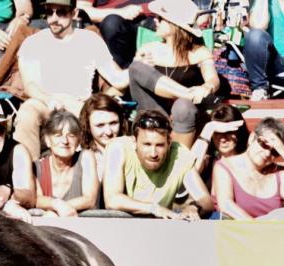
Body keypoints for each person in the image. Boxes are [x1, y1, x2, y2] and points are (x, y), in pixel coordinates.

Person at [16, 0, 127, 160]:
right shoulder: (33, 42)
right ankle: (27, 172)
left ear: (74, 13)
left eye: (61, 12)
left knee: (97, 114)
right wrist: (51, 99)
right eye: (49, 12)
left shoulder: (90, 40)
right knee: (27, 111)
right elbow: (30, 85)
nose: (54, 18)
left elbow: (117, 79)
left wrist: (140, 65)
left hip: (80, 105)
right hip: (46, 103)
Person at [129, 0, 219, 149]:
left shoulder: (199, 52)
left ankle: (179, 164)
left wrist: (207, 87)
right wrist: (145, 68)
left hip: (184, 118)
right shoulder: (149, 49)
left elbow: (213, 78)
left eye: (160, 18)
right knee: (137, 66)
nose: (154, 21)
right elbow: (134, 78)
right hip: (152, 115)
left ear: (175, 24)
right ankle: (187, 94)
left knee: (183, 105)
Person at [102, 109, 205, 218]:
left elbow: (205, 201)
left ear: (169, 143)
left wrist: (192, 207)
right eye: (147, 144)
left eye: (160, 145)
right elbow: (112, 200)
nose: (153, 153)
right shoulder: (119, 148)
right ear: (134, 142)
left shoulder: (179, 153)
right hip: (122, 227)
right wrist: (154, 208)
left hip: (160, 228)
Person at [211, 117, 284, 218]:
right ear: (252, 138)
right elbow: (226, 206)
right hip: (238, 231)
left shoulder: (280, 173)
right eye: (264, 144)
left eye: (275, 152)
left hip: (270, 231)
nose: (267, 153)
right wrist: (256, 229)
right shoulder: (225, 167)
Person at [35, 110, 99, 215]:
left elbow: (90, 200)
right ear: (47, 140)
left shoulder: (85, 157)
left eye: (71, 135)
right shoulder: (37, 167)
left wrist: (56, 211)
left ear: (78, 140)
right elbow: (36, 200)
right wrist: (57, 205)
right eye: (58, 135)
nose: (65, 141)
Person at [79, 0, 153, 68]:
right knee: (111, 23)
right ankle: (129, 73)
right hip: (119, 25)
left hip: (155, 17)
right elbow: (82, 9)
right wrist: (121, 12)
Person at [79, 93, 124, 174]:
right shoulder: (81, 160)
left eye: (113, 123)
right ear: (88, 126)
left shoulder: (131, 152)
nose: (108, 132)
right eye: (100, 125)